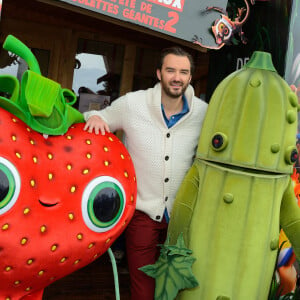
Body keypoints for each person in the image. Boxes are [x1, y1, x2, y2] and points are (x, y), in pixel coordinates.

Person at [83, 46, 208, 300]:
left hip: (183, 216)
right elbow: (99, 116)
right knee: (142, 281)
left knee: (177, 281)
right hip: (142, 212)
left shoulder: (203, 112)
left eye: (183, 72)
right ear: (159, 73)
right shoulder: (133, 103)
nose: (177, 77)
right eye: (171, 70)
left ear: (190, 78)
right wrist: (95, 116)